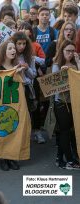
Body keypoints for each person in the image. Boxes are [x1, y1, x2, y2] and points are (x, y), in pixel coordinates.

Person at [0, 40, 28, 171]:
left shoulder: (18, 65)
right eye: (10, 48)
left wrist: (20, 72)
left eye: (14, 48)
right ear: (4, 52)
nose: (13, 50)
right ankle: (3, 158)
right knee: (3, 131)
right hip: (2, 104)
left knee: (14, 131)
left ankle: (12, 157)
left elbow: (23, 82)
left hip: (16, 104)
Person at [52, 40, 80, 170]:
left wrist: (78, 62)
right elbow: (55, 87)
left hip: (74, 102)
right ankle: (69, 160)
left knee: (73, 131)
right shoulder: (57, 65)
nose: (70, 53)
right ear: (62, 51)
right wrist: (63, 74)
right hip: (62, 103)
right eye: (67, 51)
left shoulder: (76, 64)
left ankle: (61, 158)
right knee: (64, 131)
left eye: (72, 51)